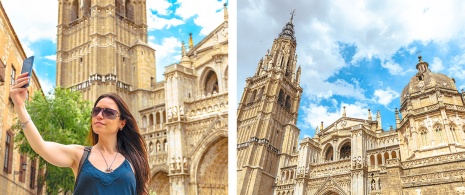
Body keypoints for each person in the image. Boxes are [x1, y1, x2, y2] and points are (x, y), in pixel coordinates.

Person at [10, 72, 150, 195]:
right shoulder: (80, 155)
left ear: (122, 123)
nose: (100, 116)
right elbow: (41, 147)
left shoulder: (134, 161)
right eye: (96, 111)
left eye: (109, 112)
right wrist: (20, 106)